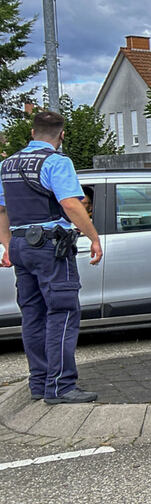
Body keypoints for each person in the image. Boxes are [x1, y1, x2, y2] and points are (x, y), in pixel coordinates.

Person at [0, 111, 102, 404]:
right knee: (62, 312)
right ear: (61, 135)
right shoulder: (57, 162)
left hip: (20, 244)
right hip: (49, 247)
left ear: (32, 133)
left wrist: (7, 245)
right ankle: (60, 387)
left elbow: (1, 210)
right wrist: (94, 237)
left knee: (32, 315)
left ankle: (40, 382)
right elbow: (70, 203)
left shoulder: (6, 165)